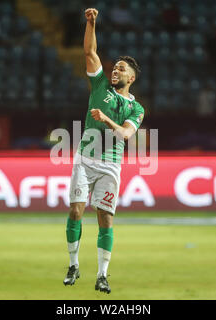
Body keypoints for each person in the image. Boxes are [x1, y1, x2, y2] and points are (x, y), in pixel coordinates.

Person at [63, 8, 145, 294]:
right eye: (115, 66)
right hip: (85, 160)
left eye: (122, 68)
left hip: (110, 165)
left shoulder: (136, 108)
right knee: (76, 210)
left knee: (105, 217)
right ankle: (73, 265)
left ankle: (102, 274)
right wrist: (91, 23)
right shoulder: (99, 85)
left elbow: (124, 133)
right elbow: (90, 52)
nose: (116, 70)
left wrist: (106, 119)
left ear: (131, 78)